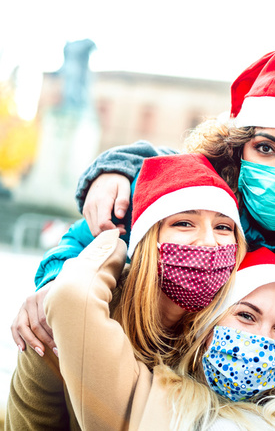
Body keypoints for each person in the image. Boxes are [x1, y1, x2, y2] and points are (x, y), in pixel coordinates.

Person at [12, 38, 275, 359]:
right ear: (238, 150)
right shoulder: (196, 192)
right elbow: (83, 239)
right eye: (265, 148)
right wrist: (53, 286)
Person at [44, 237, 275, 431]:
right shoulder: (147, 395)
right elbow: (73, 299)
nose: (264, 338)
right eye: (245, 316)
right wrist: (119, 243)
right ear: (206, 326)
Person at [6, 153, 247, 429]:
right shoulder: (57, 324)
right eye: (184, 223)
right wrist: (112, 247)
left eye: (223, 227)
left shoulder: (233, 337)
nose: (208, 242)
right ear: (146, 239)